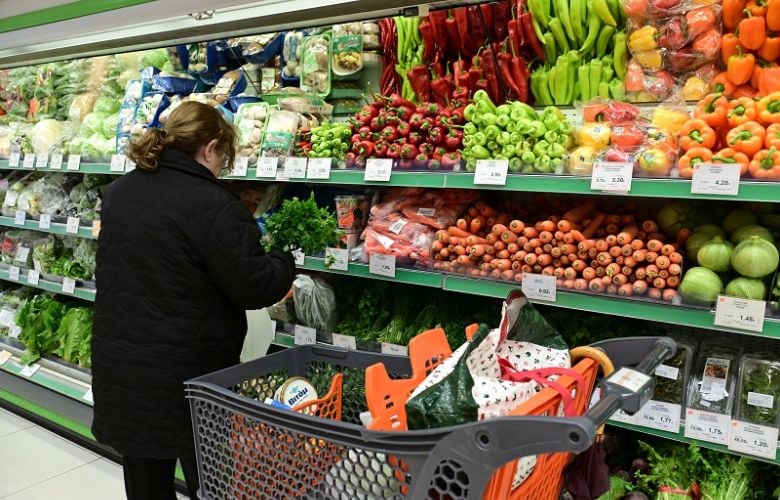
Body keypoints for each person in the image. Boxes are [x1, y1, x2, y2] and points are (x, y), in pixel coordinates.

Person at [91, 101, 295, 500]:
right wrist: (283, 260)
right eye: (224, 158)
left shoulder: (120, 192)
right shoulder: (214, 204)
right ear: (210, 147)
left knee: (146, 478)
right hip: (189, 371)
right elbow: (254, 287)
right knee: (209, 477)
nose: (222, 168)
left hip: (126, 363)